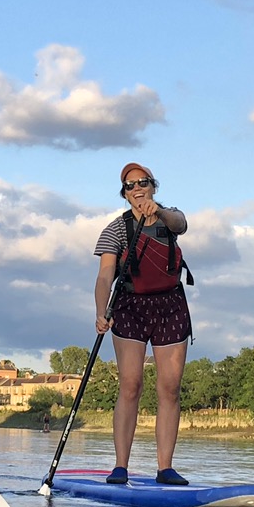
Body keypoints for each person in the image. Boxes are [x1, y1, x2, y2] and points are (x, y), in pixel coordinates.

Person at [92, 162, 192, 485]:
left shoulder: (169, 218)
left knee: (170, 388)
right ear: (125, 194)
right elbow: (106, 274)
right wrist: (100, 310)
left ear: (153, 186)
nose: (138, 189)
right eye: (131, 186)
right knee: (131, 384)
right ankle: (121, 466)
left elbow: (181, 224)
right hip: (130, 307)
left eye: (143, 183)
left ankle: (165, 468)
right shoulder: (116, 230)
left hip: (170, 305)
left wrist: (158, 213)